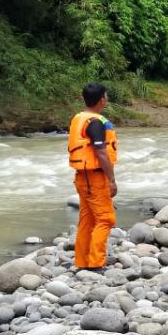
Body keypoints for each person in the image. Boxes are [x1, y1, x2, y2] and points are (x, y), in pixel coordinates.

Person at [67, 82, 118, 271]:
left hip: (82, 177)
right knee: (105, 219)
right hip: (94, 178)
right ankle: (96, 263)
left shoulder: (80, 118)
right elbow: (101, 153)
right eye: (106, 96)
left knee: (87, 219)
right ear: (102, 99)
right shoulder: (95, 123)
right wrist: (111, 180)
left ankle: (82, 261)